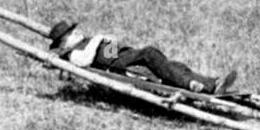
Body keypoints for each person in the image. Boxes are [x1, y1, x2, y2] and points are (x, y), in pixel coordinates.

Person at [47, 20, 238, 95]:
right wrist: (99, 39)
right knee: (150, 53)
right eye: (71, 34)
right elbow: (86, 61)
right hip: (120, 66)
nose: (76, 33)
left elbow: (109, 52)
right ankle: (198, 86)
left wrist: (110, 41)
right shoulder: (72, 54)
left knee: (173, 65)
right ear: (64, 43)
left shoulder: (84, 42)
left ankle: (210, 83)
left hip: (122, 57)